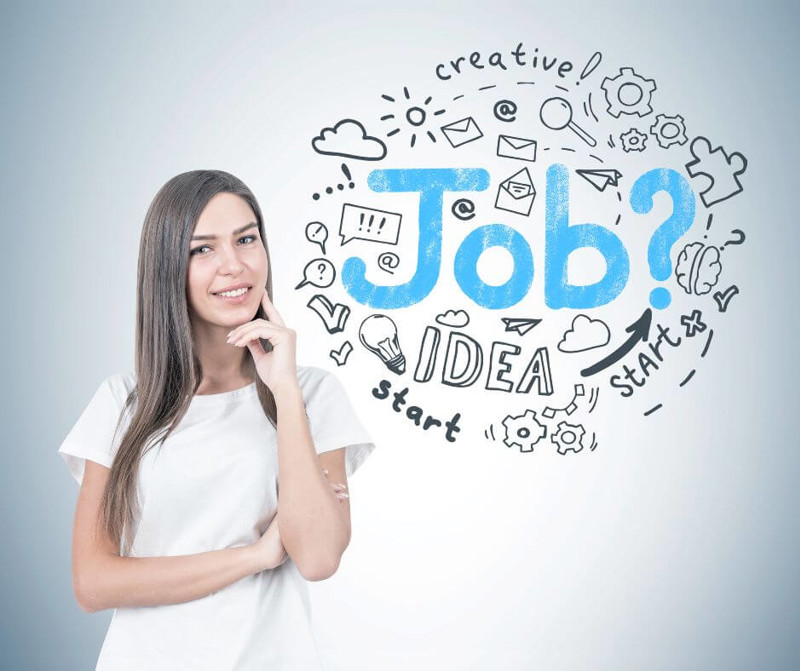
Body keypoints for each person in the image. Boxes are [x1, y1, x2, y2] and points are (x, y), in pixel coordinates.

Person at [58, 170, 376, 670]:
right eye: (202, 250)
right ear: (168, 269)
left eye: (246, 239)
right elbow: (93, 583)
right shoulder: (122, 404)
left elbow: (317, 558)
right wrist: (256, 555)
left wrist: (285, 391)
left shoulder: (312, 393)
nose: (234, 265)